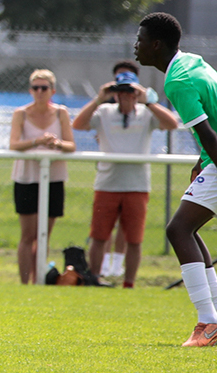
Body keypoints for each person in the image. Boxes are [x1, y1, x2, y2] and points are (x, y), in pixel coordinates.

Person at [132, 12, 217, 346]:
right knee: (187, 228)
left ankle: (208, 323)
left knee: (178, 229)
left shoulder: (176, 81)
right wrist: (204, 161)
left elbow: (206, 131)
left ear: (155, 45)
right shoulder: (192, 62)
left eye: (139, 41)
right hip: (212, 159)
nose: (135, 47)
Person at [72, 62, 177, 289]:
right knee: (99, 236)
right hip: (107, 183)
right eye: (120, 92)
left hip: (137, 185)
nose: (125, 97)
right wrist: (98, 99)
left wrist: (148, 100)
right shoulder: (104, 112)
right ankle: (94, 278)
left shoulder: (146, 114)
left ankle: (128, 283)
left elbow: (172, 123)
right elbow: (78, 124)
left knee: (134, 239)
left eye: (129, 92)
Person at [9, 69, 75, 285]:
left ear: (52, 91)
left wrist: (56, 144)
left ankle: (38, 280)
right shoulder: (21, 113)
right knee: (27, 234)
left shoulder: (60, 113)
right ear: (30, 90)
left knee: (43, 234)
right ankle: (23, 282)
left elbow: (70, 145)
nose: (39, 92)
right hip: (26, 177)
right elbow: (14, 144)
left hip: (53, 177)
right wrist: (37, 142)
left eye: (44, 88)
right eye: (35, 88)